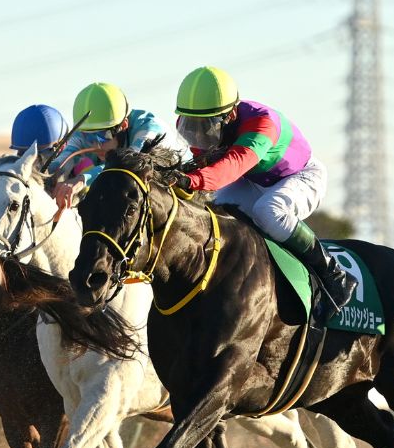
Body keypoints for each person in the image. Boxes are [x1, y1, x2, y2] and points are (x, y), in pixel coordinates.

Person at [173, 65, 357, 318]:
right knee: (215, 212)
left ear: (230, 115)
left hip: (300, 177)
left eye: (207, 125)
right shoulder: (204, 122)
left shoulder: (261, 125)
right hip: (252, 180)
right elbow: (205, 161)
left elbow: (231, 167)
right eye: (191, 124)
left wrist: (190, 181)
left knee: (269, 210)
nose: (199, 133)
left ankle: (334, 274)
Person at [47, 82, 189, 210]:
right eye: (88, 136)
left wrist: (81, 179)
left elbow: (124, 165)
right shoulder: (84, 132)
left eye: (103, 136)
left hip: (178, 188)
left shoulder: (148, 130)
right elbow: (61, 162)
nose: (96, 145)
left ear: (123, 125)